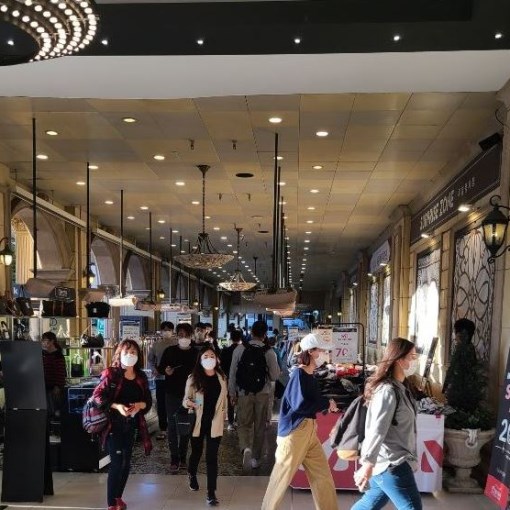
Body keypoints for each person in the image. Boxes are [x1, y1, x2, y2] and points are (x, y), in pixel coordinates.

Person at [261, 333, 339, 510]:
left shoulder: (309, 376)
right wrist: (326, 403)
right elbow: (300, 405)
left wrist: (326, 403)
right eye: (322, 351)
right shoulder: (299, 374)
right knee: (280, 479)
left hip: (309, 431)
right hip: (295, 433)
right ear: (311, 352)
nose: (326, 355)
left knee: (322, 476)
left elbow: (311, 402)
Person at [351, 337, 421, 510]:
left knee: (368, 505)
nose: (415, 361)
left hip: (389, 461)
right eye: (412, 357)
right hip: (391, 463)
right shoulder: (388, 391)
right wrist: (368, 464)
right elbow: (377, 429)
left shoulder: (402, 388)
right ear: (399, 360)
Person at [91, 339, 152, 510]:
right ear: (120, 354)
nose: (130, 355)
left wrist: (140, 405)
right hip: (113, 425)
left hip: (131, 425)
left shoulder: (141, 377)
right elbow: (98, 397)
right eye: (126, 352)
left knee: (126, 462)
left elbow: (147, 401)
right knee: (117, 462)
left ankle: (118, 497)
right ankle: (111, 503)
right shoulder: (111, 374)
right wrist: (117, 406)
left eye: (133, 352)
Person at [229, 320, 280, 470]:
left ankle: (246, 448)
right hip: (263, 393)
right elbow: (274, 376)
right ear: (265, 334)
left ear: (251, 332)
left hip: (244, 392)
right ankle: (256, 459)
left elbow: (232, 373)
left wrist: (232, 392)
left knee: (243, 424)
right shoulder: (269, 352)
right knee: (259, 426)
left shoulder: (240, 349)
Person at [183, 345, 228, 506]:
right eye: (205, 357)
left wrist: (225, 414)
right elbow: (185, 400)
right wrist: (191, 403)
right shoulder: (193, 378)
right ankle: (192, 473)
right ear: (200, 360)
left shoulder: (221, 377)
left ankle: (211, 493)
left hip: (215, 422)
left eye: (212, 356)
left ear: (217, 359)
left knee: (212, 457)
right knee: (196, 452)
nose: (209, 359)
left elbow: (224, 399)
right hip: (198, 421)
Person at [158, 322, 198, 473]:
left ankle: (183, 457)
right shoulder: (170, 351)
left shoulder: (196, 353)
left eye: (186, 335)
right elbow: (160, 368)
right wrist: (166, 370)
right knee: (173, 426)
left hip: (190, 395)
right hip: (172, 393)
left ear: (191, 336)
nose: (183, 338)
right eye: (181, 335)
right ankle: (174, 457)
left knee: (186, 425)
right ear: (177, 336)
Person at [148, 321, 176, 440]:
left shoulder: (177, 343)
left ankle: (175, 427)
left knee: (175, 403)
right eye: (164, 329)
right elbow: (150, 360)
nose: (167, 332)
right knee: (161, 404)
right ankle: (163, 428)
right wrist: (154, 369)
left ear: (172, 331)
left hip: (175, 379)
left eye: (169, 329)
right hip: (160, 378)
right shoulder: (156, 345)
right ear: (161, 331)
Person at [442, 318, 478, 396]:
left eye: (456, 332)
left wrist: (448, 389)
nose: (455, 337)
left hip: (460, 395)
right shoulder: (462, 348)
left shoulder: (466, 350)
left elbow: (460, 373)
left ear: (462, 334)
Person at [220, 329, 243, 431]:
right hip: (241, 379)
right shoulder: (243, 350)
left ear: (231, 338)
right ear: (240, 338)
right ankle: (237, 420)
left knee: (230, 401)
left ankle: (230, 423)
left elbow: (222, 365)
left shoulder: (226, 350)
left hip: (228, 378)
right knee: (240, 400)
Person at [41, 331, 67, 420]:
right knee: (47, 411)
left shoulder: (58, 355)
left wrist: (57, 386)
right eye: (42, 340)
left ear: (52, 341)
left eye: (45, 340)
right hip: (45, 386)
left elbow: (60, 372)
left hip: (54, 388)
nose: (43, 342)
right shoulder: (44, 354)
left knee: (55, 411)